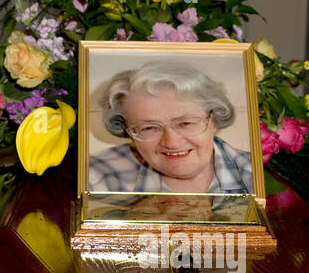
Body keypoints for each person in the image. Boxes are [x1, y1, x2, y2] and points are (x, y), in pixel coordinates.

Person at [89, 59, 253, 194]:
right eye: (149, 128)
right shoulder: (96, 176)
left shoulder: (258, 175)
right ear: (129, 133)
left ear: (215, 120)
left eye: (186, 123)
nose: (172, 142)